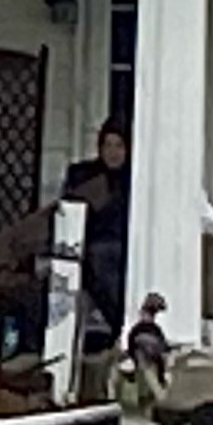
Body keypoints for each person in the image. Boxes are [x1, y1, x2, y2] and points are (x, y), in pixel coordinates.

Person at [58, 121, 131, 337]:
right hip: (87, 246)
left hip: (123, 249)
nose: (113, 152)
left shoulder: (134, 179)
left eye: (119, 146)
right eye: (107, 145)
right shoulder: (84, 175)